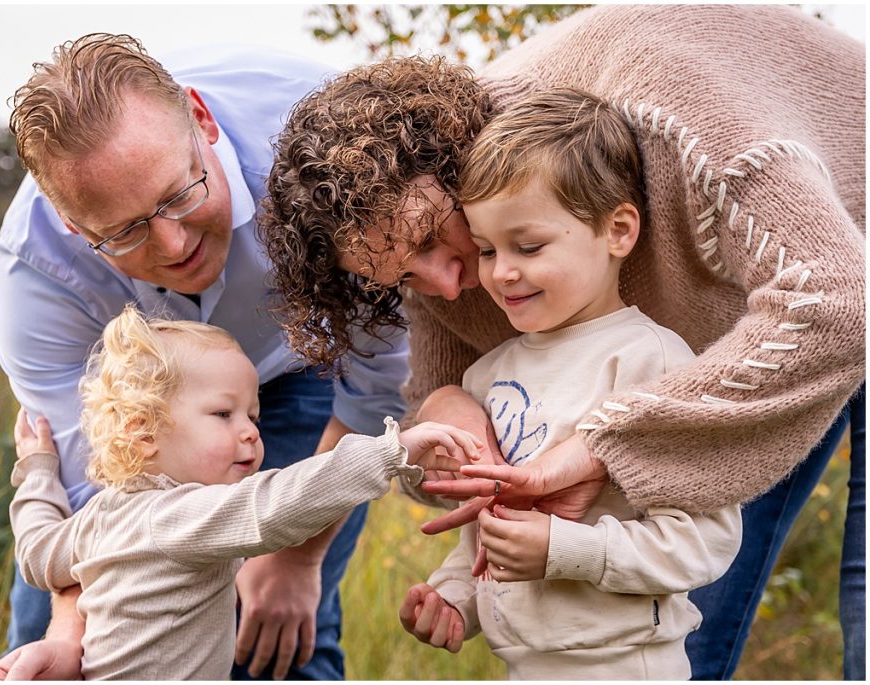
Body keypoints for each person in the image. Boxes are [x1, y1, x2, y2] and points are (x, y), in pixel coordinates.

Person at [259, 4, 865, 680]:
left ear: (464, 160)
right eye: (403, 275)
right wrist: (450, 417)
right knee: (666, 622)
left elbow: (837, 303)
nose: (447, 285)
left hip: (836, 261)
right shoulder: (450, 254)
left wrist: (604, 444)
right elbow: (445, 413)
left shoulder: (678, 121)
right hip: (752, 329)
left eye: (433, 239)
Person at [0, 34, 411, 680]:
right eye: (125, 232)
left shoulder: (331, 148)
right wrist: (70, 638)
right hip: (147, 404)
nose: (173, 243)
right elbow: (90, 499)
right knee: (47, 642)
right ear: (73, 226)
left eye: (179, 194)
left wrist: (298, 557)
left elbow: (379, 379)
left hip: (308, 359)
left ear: (202, 121)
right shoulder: (39, 273)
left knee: (276, 629)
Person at [398, 87, 742, 679]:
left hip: (626, 665)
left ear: (618, 231)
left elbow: (705, 540)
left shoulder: (651, 362)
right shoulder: (488, 375)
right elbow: (489, 532)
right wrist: (455, 597)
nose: (502, 272)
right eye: (486, 250)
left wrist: (567, 550)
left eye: (528, 246)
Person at [5, 306, 479, 680]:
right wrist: (391, 451)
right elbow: (278, 503)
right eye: (223, 414)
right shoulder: (179, 516)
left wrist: (37, 470)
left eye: (252, 416)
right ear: (144, 431)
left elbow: (36, 550)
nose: (251, 431)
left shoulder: (100, 516)